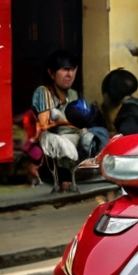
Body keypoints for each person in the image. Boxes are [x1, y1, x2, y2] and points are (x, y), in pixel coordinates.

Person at [32, 49, 82, 191]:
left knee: (94, 135)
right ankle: (63, 177)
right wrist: (69, 122)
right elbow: (45, 123)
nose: (69, 75)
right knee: (62, 140)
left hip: (73, 136)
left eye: (72, 70)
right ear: (51, 73)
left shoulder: (73, 95)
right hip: (50, 138)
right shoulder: (43, 92)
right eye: (65, 70)